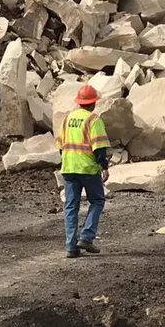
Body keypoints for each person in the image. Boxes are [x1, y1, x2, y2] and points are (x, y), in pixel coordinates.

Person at [55, 84, 110, 258]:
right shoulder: (93, 120)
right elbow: (99, 149)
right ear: (93, 103)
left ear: (79, 102)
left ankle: (71, 247)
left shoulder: (67, 118)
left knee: (71, 207)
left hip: (69, 168)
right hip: (87, 168)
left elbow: (60, 146)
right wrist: (104, 167)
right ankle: (86, 237)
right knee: (98, 200)